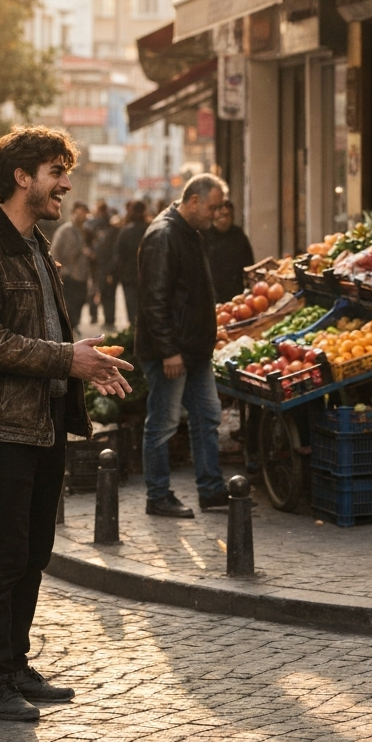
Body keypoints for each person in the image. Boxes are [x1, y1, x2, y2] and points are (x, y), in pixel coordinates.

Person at [0, 126, 132, 722]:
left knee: (36, 547)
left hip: (44, 418)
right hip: (1, 424)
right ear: (21, 177)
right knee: (3, 552)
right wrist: (65, 358)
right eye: (55, 171)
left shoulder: (34, 246)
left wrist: (83, 360)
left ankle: (15, 662)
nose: (65, 183)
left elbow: (44, 335)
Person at [137, 174, 230, 519]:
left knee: (207, 417)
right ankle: (158, 495)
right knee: (162, 423)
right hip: (172, 353)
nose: (217, 214)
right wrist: (168, 350)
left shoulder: (189, 232)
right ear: (193, 201)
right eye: (213, 206)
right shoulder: (164, 235)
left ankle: (211, 490)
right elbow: (153, 300)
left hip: (194, 351)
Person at [203, 199, 254, 305]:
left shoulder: (238, 235)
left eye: (228, 215)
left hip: (236, 295)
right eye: (221, 215)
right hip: (210, 295)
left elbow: (249, 265)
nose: (224, 219)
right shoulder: (204, 235)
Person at [50, 202, 91, 334]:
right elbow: (55, 252)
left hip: (81, 274)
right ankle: (68, 327)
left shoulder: (83, 231)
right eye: (79, 214)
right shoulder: (65, 231)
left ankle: (74, 324)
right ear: (73, 214)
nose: (82, 217)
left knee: (80, 300)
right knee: (69, 303)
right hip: (68, 274)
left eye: (84, 214)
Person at [114, 201, 147, 328]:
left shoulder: (125, 231)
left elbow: (118, 255)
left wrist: (117, 274)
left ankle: (134, 334)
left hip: (128, 277)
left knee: (132, 310)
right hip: (146, 277)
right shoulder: (150, 230)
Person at [87, 201, 119, 329]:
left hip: (99, 264)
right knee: (106, 292)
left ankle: (99, 316)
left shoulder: (97, 225)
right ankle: (106, 318)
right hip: (103, 264)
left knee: (99, 290)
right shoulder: (110, 226)